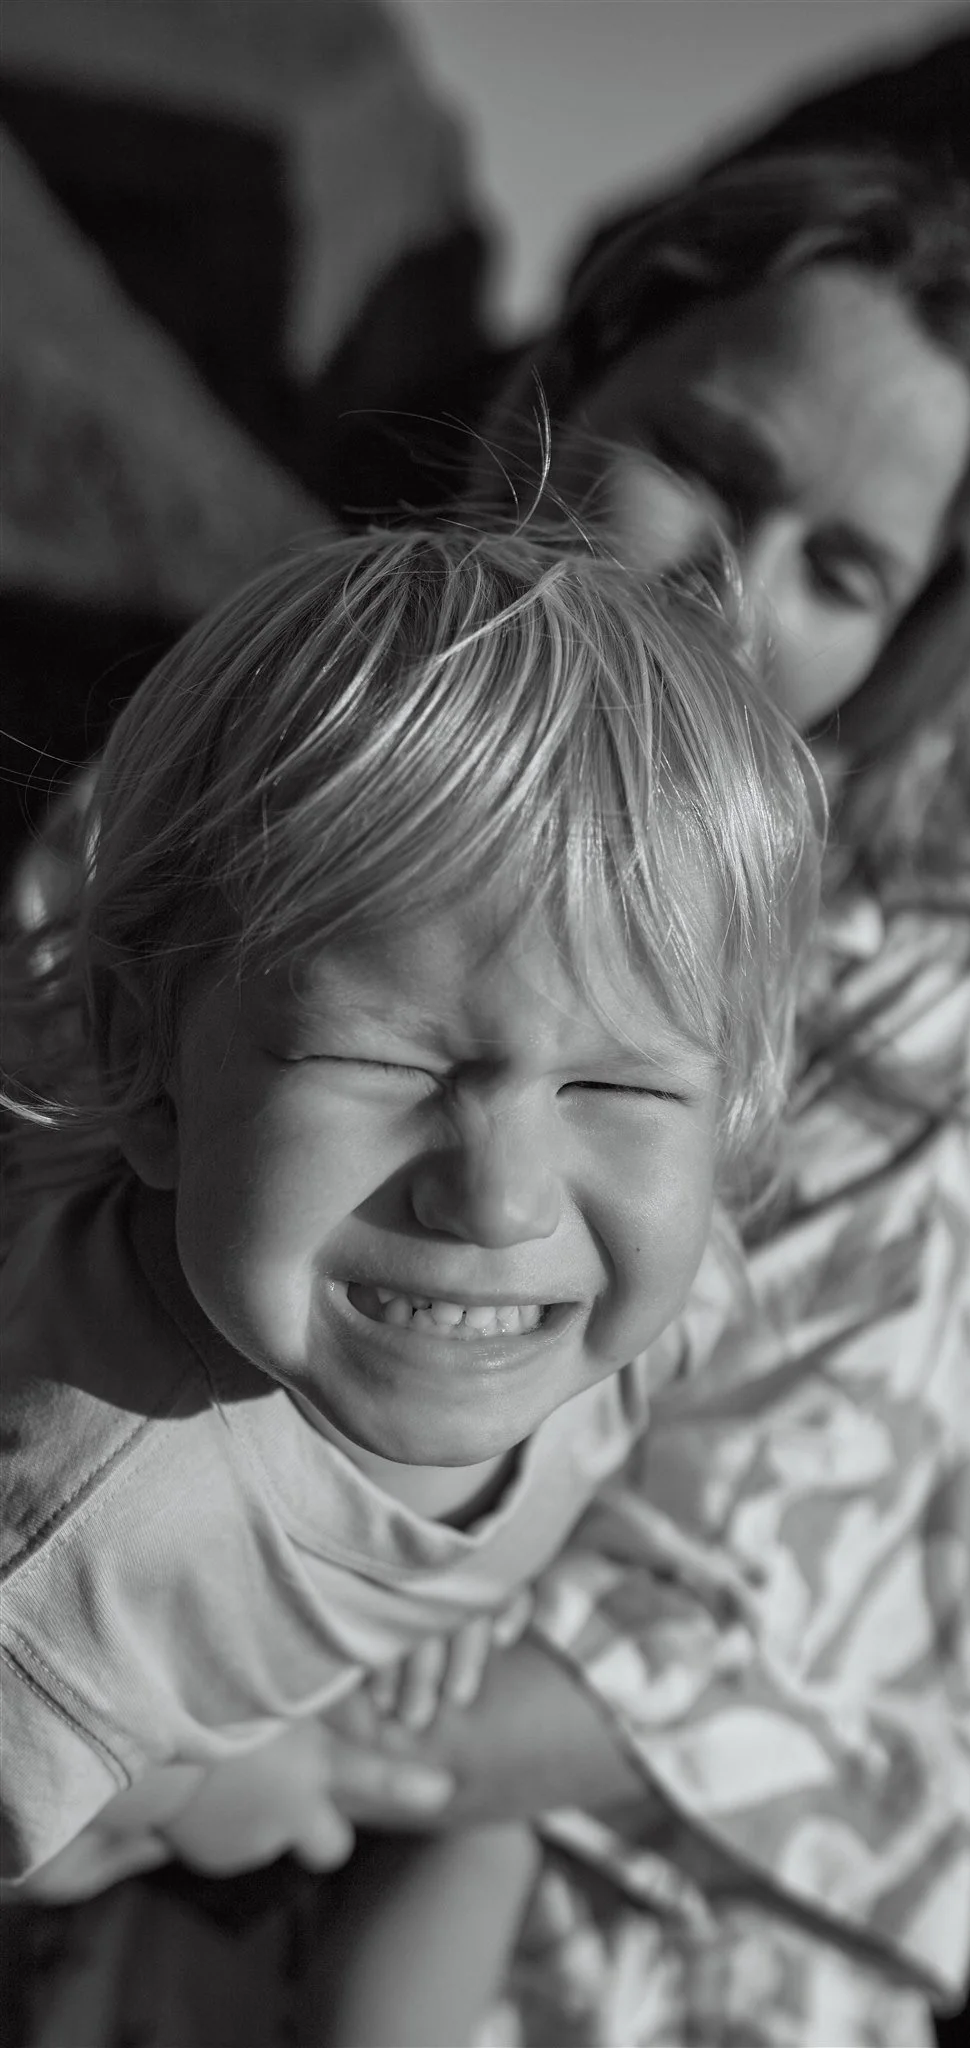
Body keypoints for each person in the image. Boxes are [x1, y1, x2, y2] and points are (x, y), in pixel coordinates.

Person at [313, 147, 970, 2047]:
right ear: (556, 400)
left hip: (608, 1956)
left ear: (914, 641)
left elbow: (721, 1628)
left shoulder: (897, 989)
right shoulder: (278, 765)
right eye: (707, 464)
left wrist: (159, 1723)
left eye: (848, 570)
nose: (739, 594)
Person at [0, 524, 822, 2043]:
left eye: (622, 1093)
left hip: (304, 1770)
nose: (499, 1198)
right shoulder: (74, 1543)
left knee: (483, 1841)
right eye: (386, 1060)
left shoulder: (663, 1292)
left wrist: (461, 1601)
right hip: (103, 1813)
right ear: (148, 1065)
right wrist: (191, 1790)